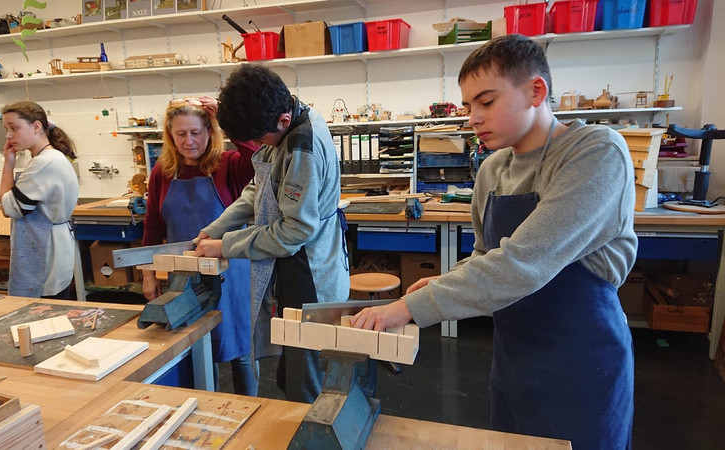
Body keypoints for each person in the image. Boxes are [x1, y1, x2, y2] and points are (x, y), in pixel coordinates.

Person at [352, 34, 637, 449]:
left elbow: (523, 262)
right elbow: (486, 255)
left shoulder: (595, 152)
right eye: (468, 106)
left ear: (536, 91)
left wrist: (410, 307)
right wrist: (446, 281)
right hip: (514, 356)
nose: (473, 118)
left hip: (582, 360)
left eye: (486, 102)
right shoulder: (493, 169)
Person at [194, 64, 350, 403]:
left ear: (282, 120)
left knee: (303, 380)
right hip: (295, 267)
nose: (258, 145)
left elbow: (295, 231)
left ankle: (310, 430)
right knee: (290, 371)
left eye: (260, 139)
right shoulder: (289, 117)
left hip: (310, 273)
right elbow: (258, 187)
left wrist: (226, 245)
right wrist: (214, 229)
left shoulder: (301, 147)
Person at [141, 96, 260, 396]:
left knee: (242, 350)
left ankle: (251, 409)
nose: (189, 141)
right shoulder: (162, 172)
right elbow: (153, 226)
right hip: (185, 277)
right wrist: (148, 274)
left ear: (210, 131)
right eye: (180, 134)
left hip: (232, 275)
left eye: (196, 132)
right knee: (196, 348)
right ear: (170, 135)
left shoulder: (228, 164)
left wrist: (227, 119)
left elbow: (259, 160)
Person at [0, 101, 79, 299]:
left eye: (14, 128)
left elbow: (8, 207)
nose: (8, 136)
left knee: (44, 310)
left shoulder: (44, 163)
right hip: (53, 247)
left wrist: (8, 165)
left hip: (45, 252)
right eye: (6, 129)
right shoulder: (53, 157)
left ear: (36, 126)